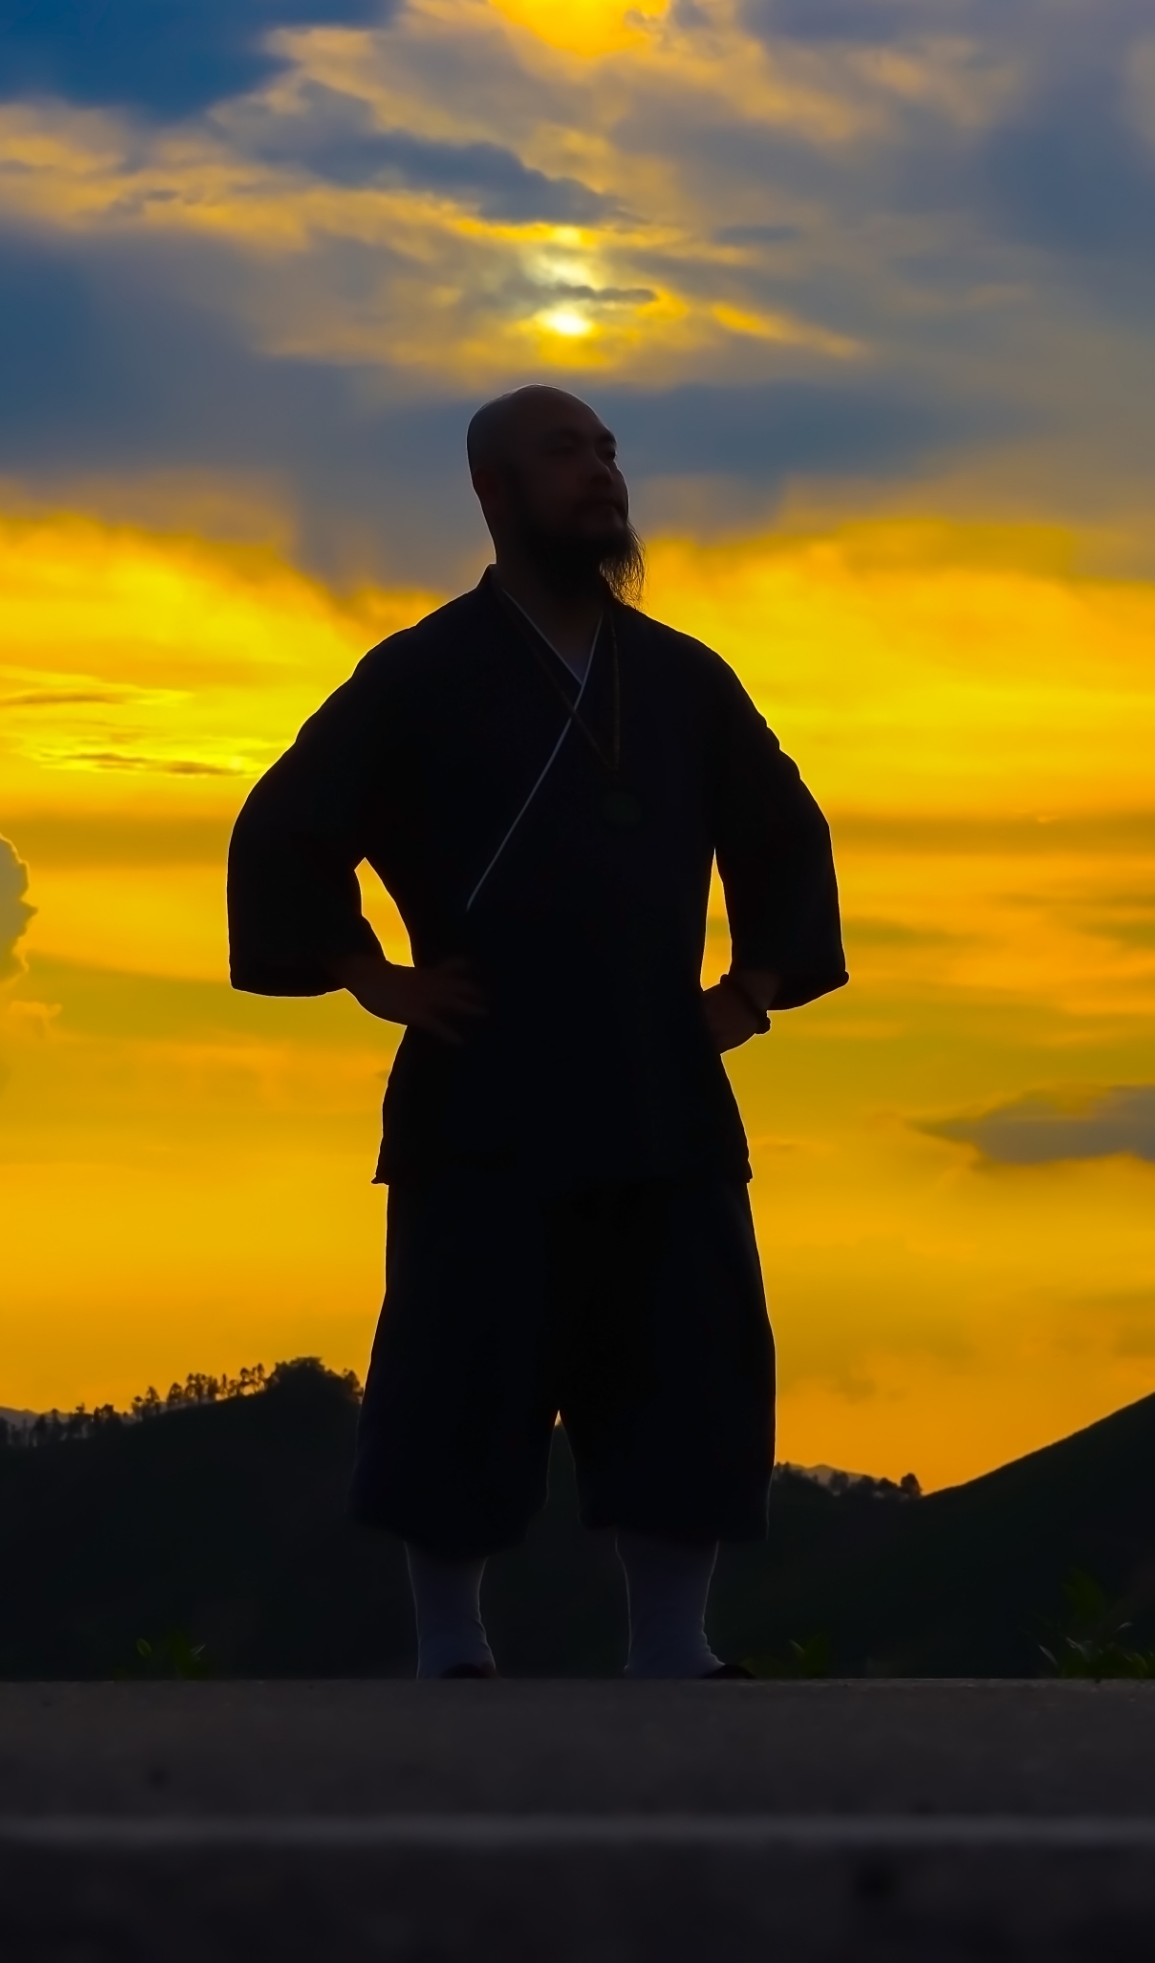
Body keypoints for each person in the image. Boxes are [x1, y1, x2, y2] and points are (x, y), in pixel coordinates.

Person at [227, 386, 843, 1679]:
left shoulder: (680, 678)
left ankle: (675, 1643)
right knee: (461, 1366)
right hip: (485, 1084)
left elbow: (785, 833)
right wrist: (367, 973)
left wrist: (749, 995)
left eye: (610, 451)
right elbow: (286, 825)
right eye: (565, 453)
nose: (600, 473)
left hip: (657, 1087)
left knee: (688, 1363)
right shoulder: (421, 673)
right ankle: (452, 1640)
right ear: (494, 494)